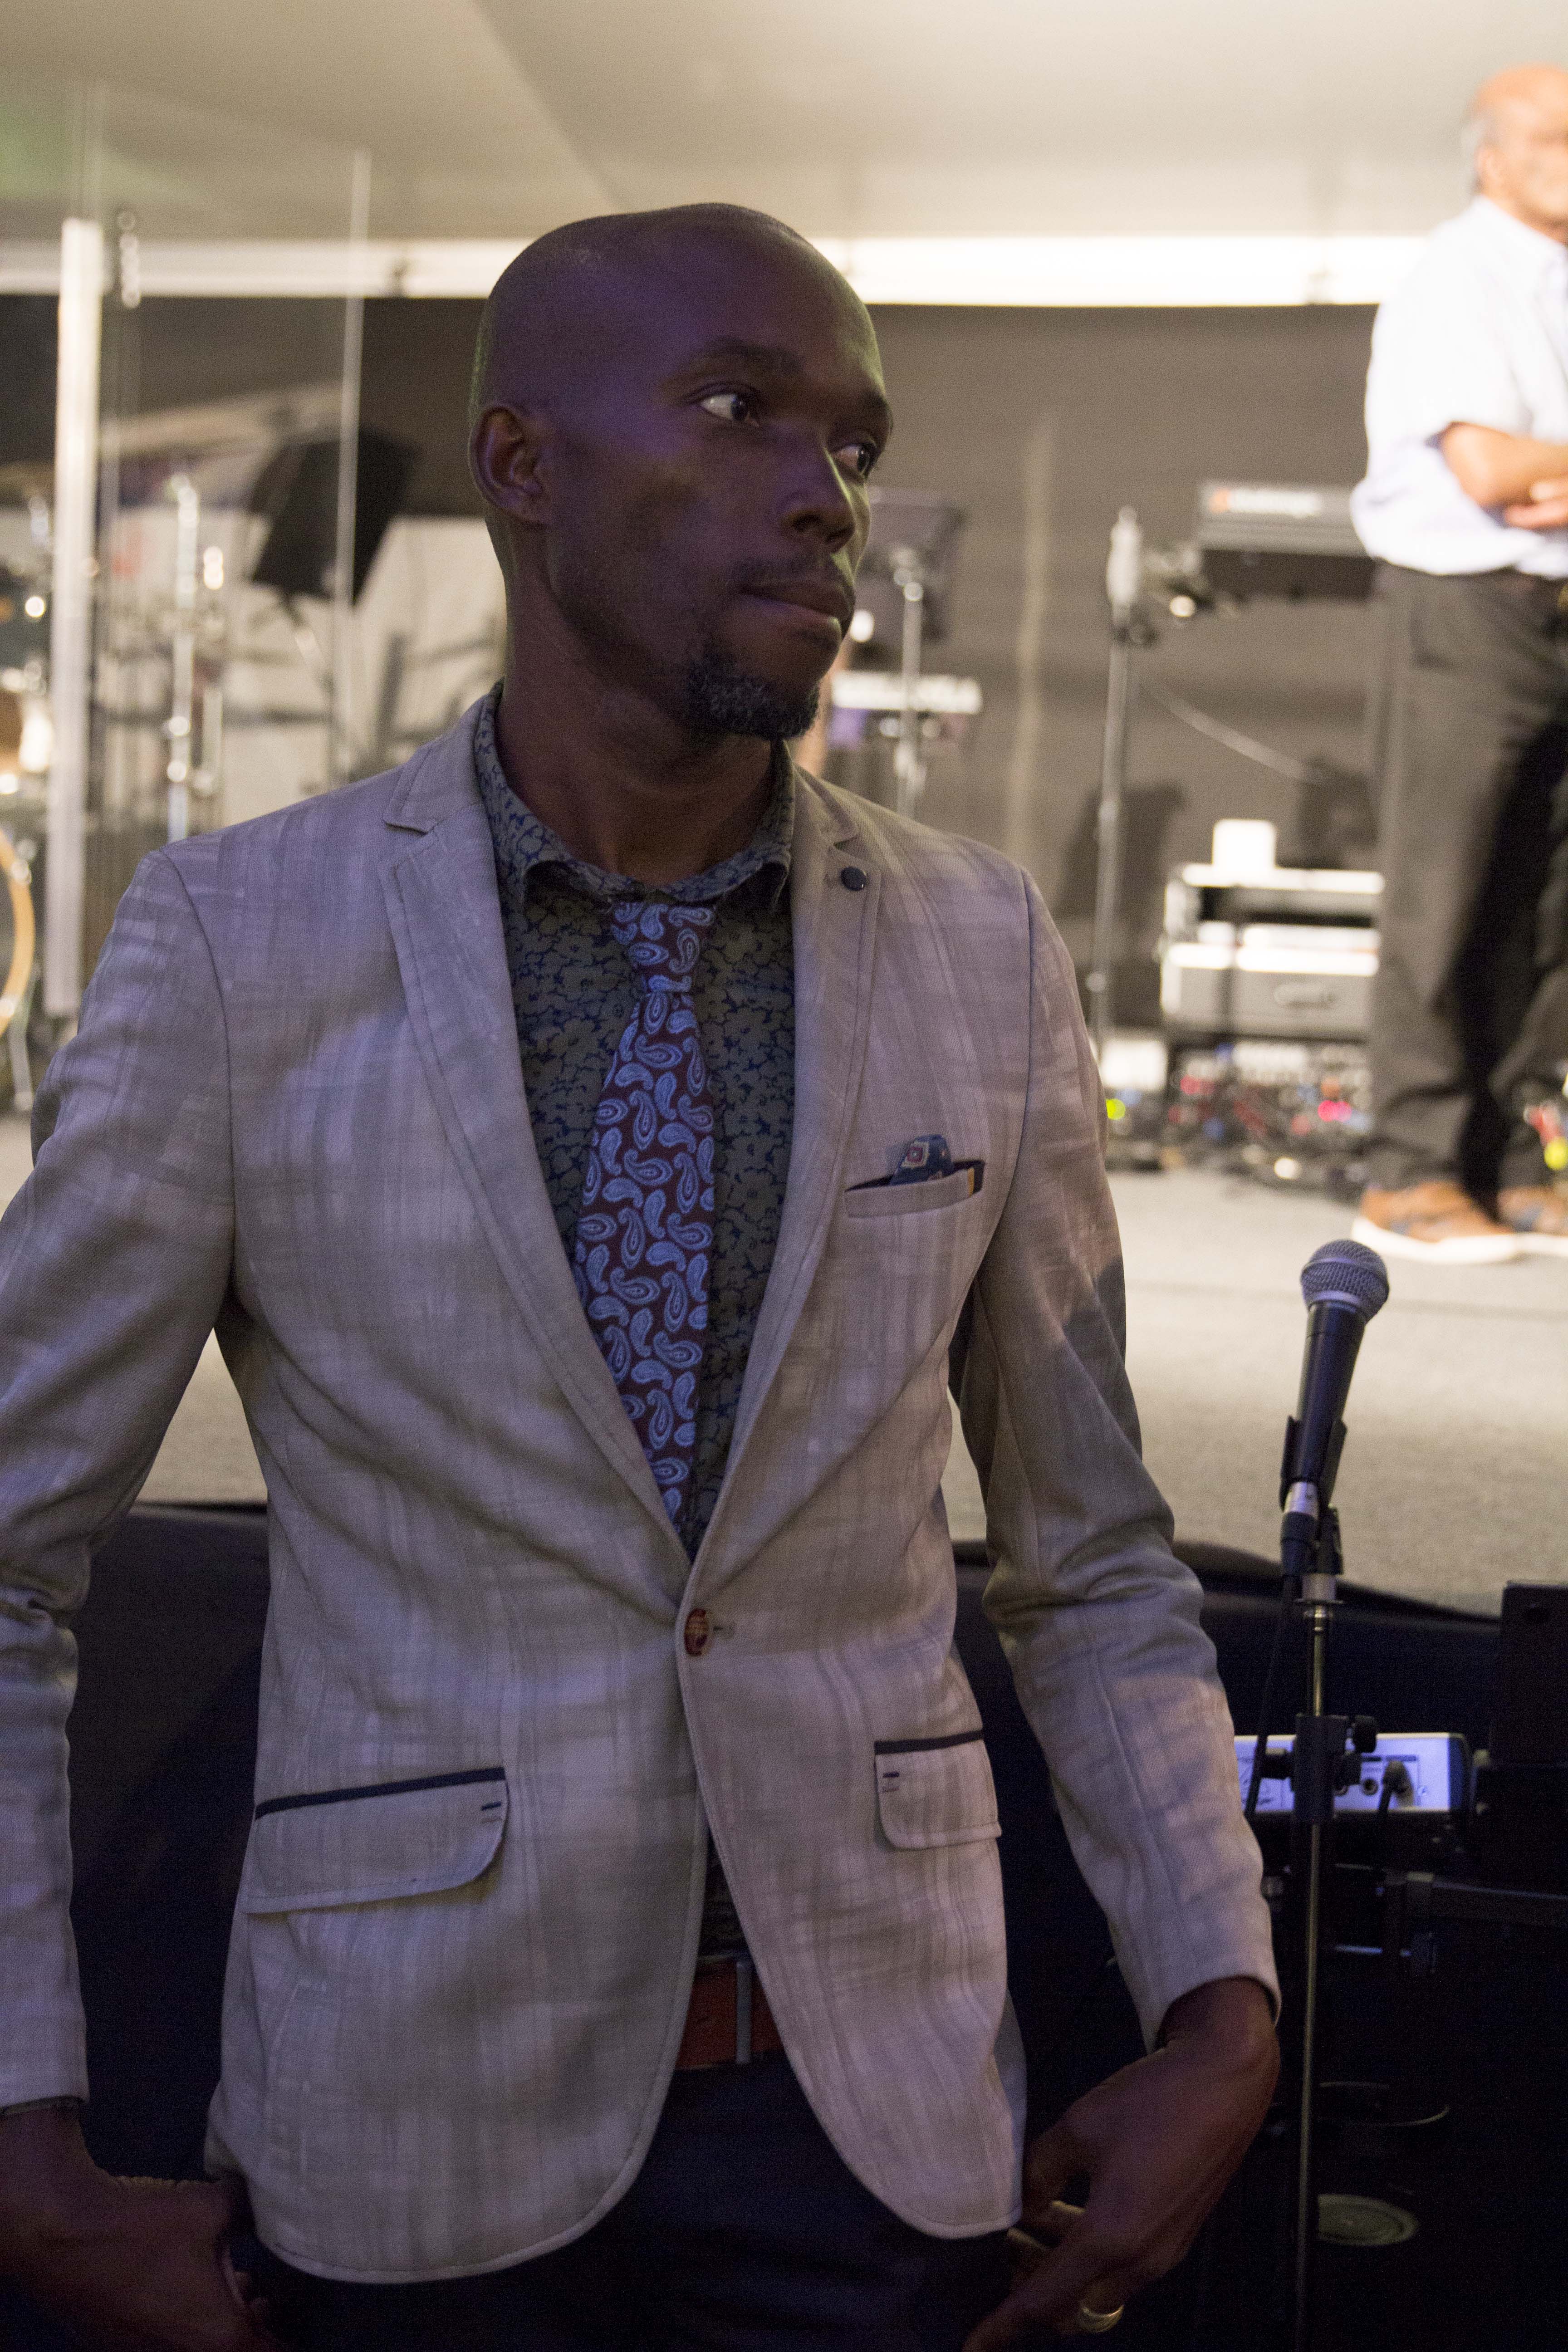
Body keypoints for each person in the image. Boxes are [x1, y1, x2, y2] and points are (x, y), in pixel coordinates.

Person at [0, 206, 1277, 2352]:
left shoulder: (980, 948)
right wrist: (18, 2138)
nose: (827, 495)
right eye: (739, 408)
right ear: (523, 463)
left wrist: (1220, 2001)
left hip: (881, 2136)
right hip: (410, 2132)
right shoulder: (242, 943)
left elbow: (1094, 1564)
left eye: (853, 445)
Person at [1352, 64, 1568, 1263]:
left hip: (1561, 601)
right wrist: (1531, 470)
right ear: (1492, 154)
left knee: (1549, 903)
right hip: (1470, 604)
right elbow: (1493, 471)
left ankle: (1516, 1163)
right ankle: (1412, 1172)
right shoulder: (1456, 273)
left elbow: (1539, 470)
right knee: (1443, 895)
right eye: (1553, 135)